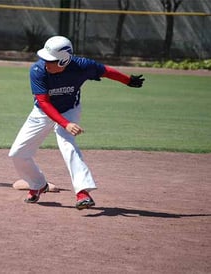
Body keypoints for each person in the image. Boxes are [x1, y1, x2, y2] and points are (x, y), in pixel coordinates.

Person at [8, 36, 144, 210]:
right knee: (18, 153)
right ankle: (38, 185)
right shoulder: (38, 70)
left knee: (67, 144)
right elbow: (44, 102)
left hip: (69, 109)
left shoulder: (82, 66)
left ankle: (82, 192)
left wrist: (128, 80)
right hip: (43, 112)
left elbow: (105, 71)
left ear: (64, 60)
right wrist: (65, 123)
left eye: (51, 60)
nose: (45, 62)